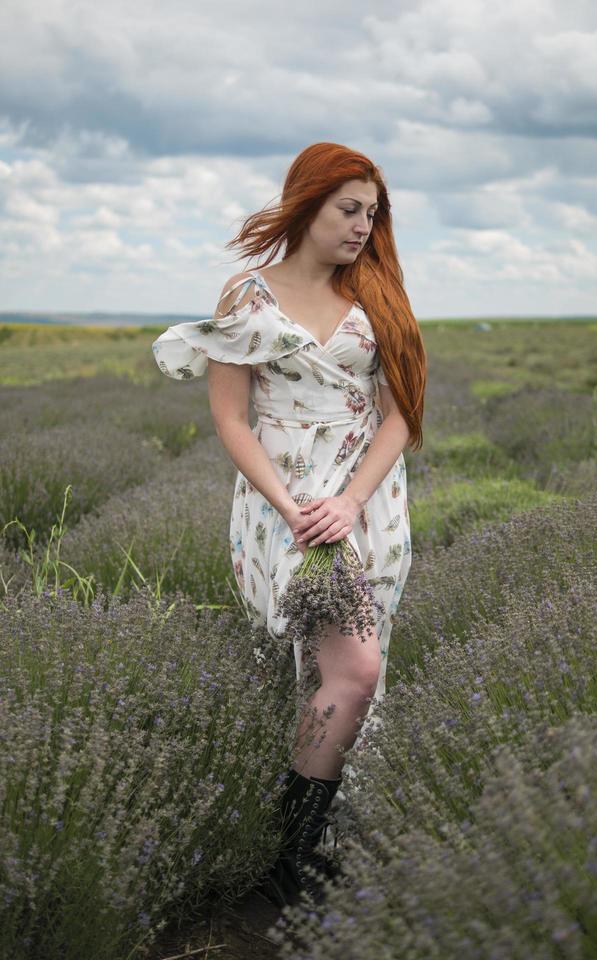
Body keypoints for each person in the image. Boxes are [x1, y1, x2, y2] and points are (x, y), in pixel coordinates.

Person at [152, 141, 426, 908]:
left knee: (332, 674)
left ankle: (303, 843)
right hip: (284, 503)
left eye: (373, 213)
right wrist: (295, 506)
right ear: (307, 203)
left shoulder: (378, 293)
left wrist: (351, 500)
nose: (363, 227)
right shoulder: (248, 296)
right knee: (355, 671)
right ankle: (291, 856)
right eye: (349, 209)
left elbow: (404, 415)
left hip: (369, 499)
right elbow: (231, 419)